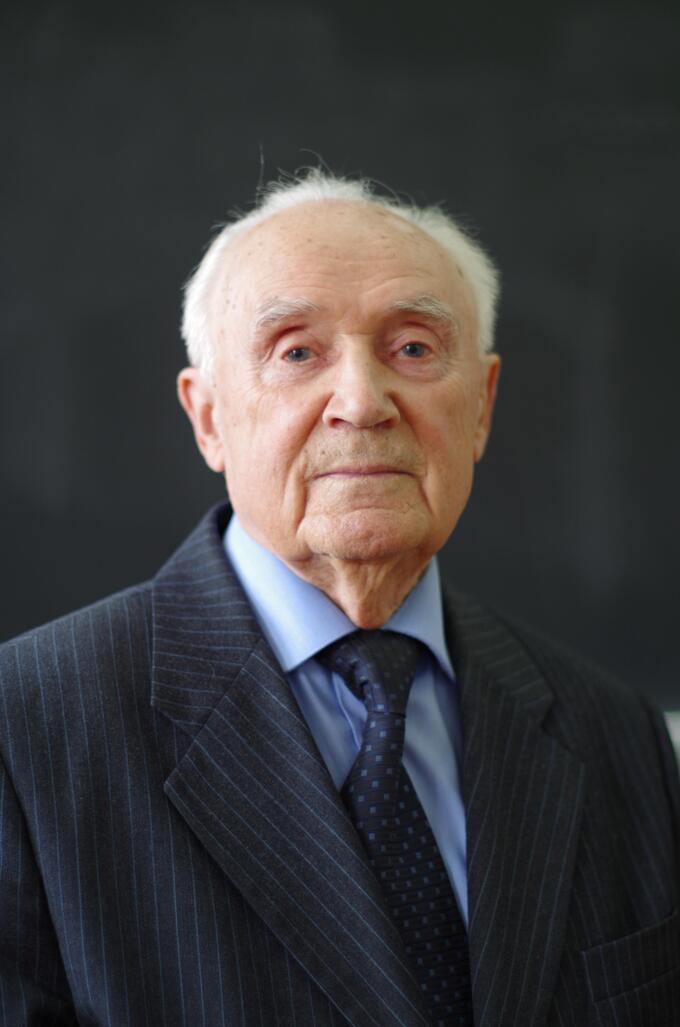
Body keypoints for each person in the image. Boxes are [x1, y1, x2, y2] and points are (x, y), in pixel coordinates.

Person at [0, 170, 677, 1027]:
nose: (361, 402)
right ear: (208, 417)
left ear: (481, 407)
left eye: (414, 349)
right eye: (296, 352)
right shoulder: (25, 730)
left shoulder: (618, 735)